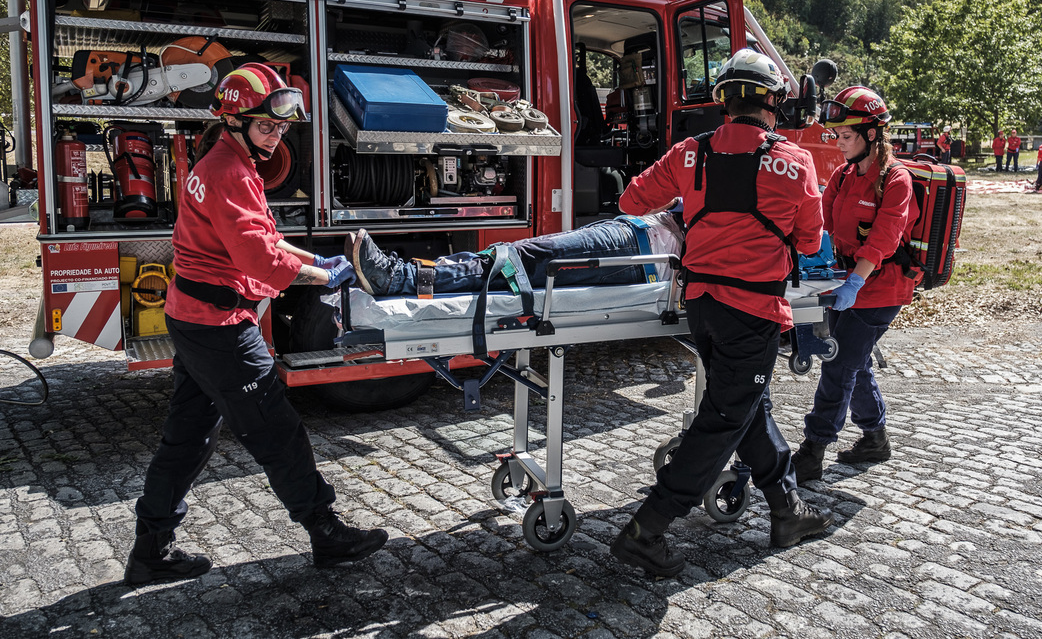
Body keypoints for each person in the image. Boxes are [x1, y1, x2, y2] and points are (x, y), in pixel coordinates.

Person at [125, 63, 388, 587]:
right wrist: (322, 277)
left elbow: (263, 237)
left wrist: (316, 257)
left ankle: (150, 549)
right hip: (219, 326)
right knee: (275, 430)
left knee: (188, 438)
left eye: (282, 127)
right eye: (267, 125)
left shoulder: (226, 160)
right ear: (234, 119)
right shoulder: (229, 171)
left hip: (194, 319)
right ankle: (325, 531)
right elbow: (260, 262)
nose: (277, 134)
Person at [608, 48, 832, 578]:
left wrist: (695, 211)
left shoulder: (690, 153)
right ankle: (648, 527)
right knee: (725, 416)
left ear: (724, 101)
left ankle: (786, 510)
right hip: (752, 308)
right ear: (773, 102)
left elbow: (631, 203)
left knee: (746, 406)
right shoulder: (795, 162)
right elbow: (810, 239)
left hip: (701, 305)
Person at [791, 86, 918, 483]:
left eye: (847, 136)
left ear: (872, 135)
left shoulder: (896, 181)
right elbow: (821, 223)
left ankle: (813, 450)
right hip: (846, 281)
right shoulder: (844, 176)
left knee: (840, 361)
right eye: (838, 136)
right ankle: (875, 437)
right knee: (856, 360)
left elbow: (884, 238)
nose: (840, 144)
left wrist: (855, 282)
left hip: (881, 288)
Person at [346, 211, 684, 296]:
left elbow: (638, 194)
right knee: (512, 259)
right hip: (642, 239)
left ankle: (396, 278)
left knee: (517, 262)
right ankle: (403, 276)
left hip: (644, 250)